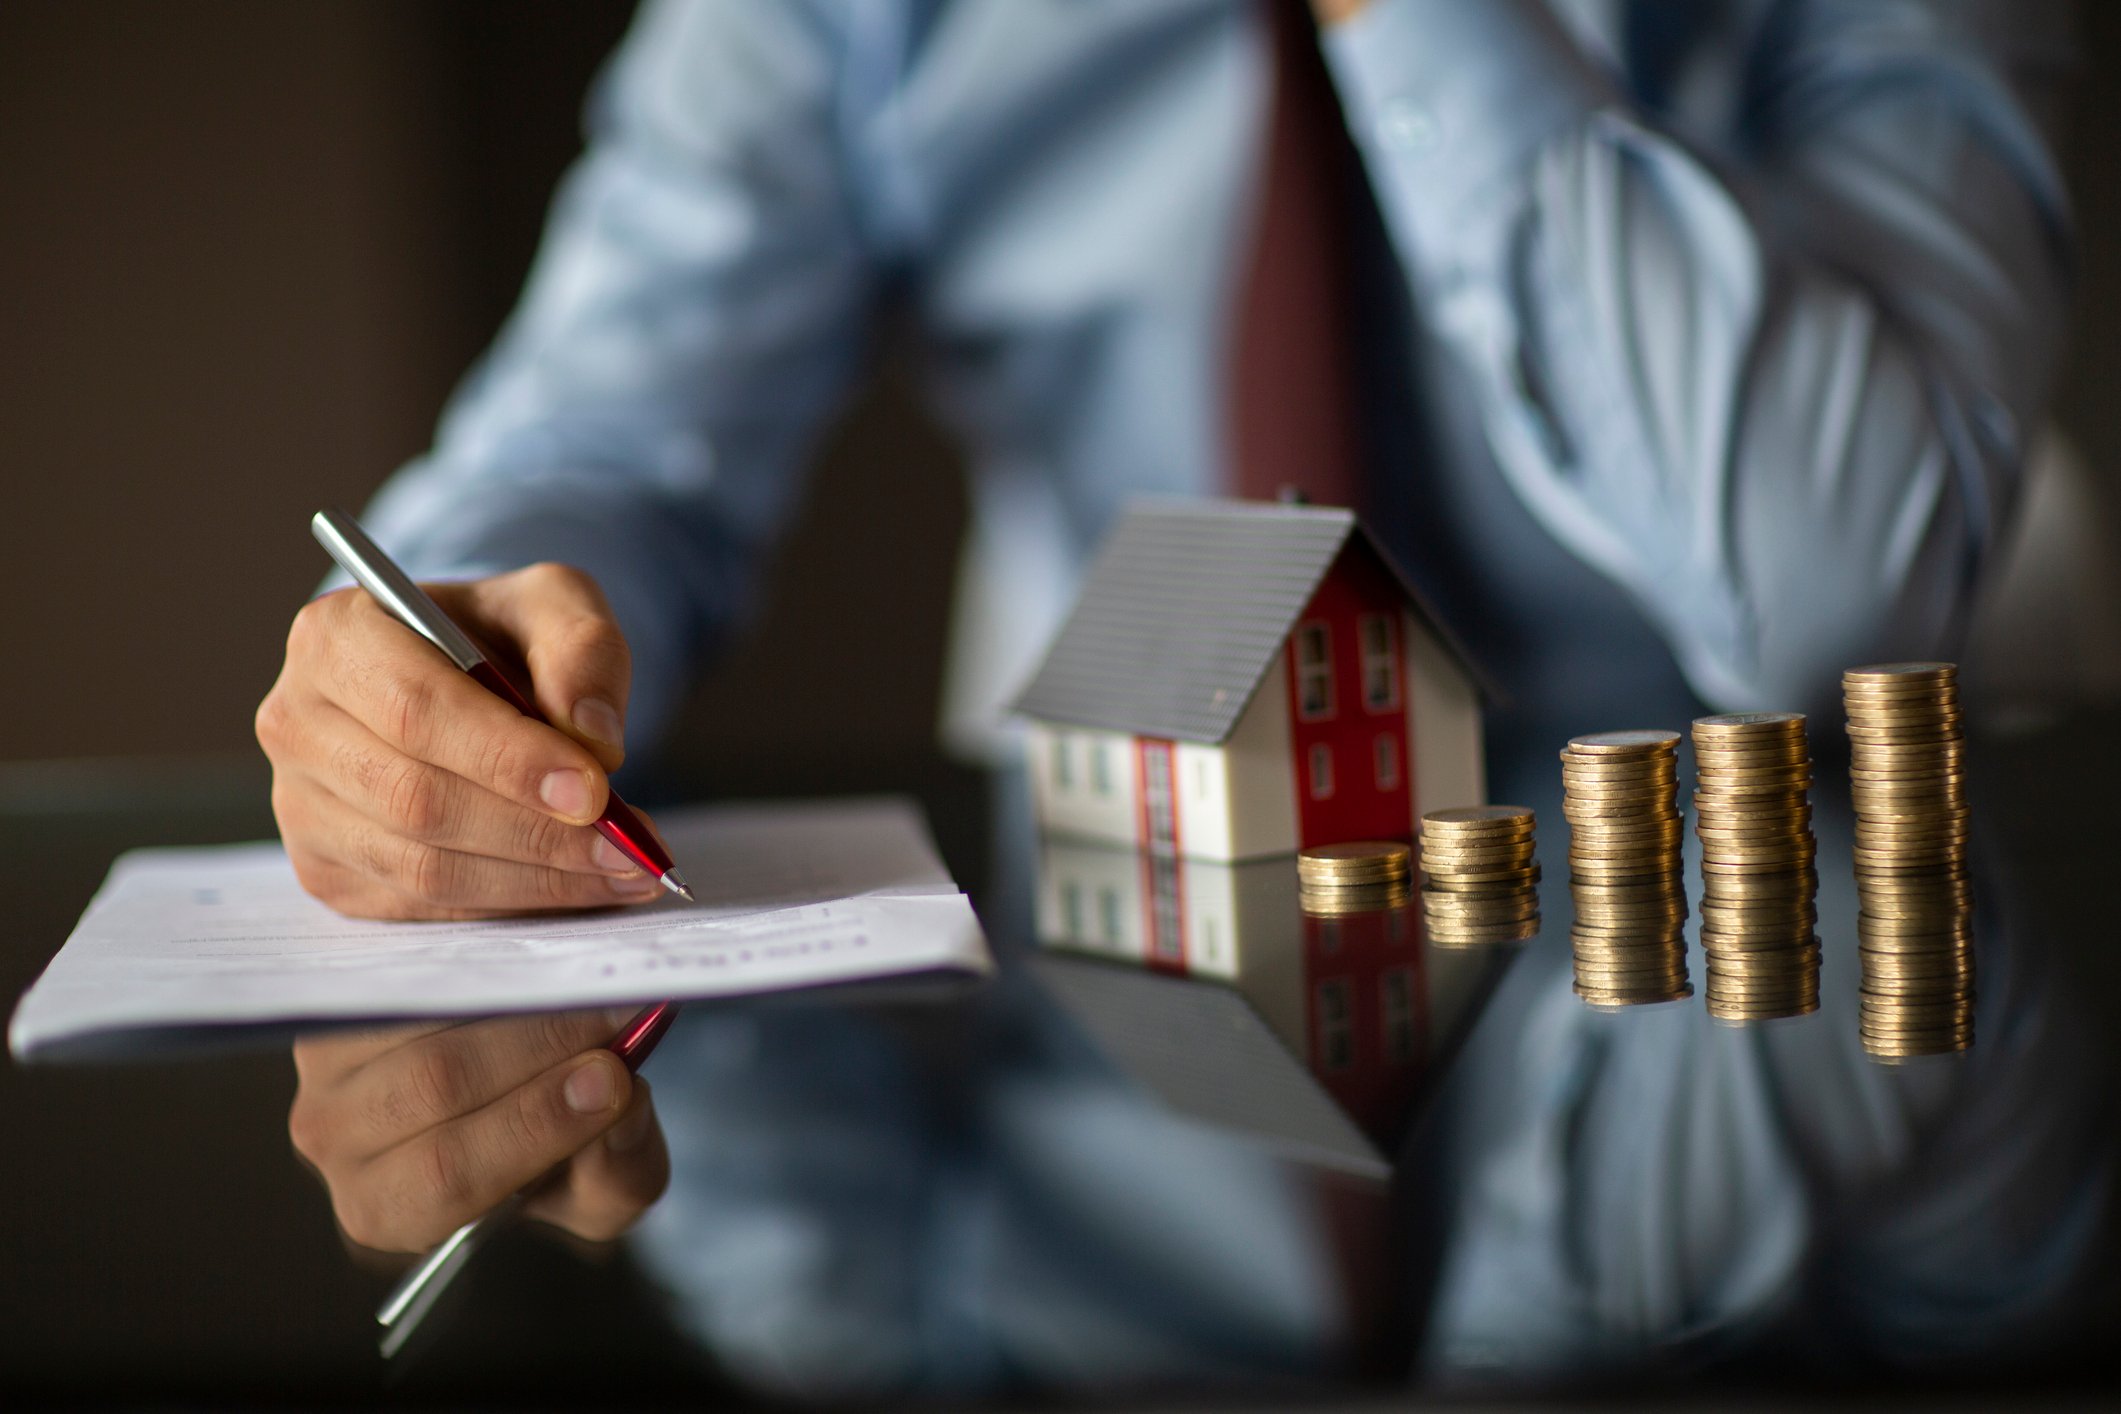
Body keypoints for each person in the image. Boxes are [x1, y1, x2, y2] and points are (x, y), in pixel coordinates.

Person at [257, 0, 2111, 1395]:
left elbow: (1842, 582)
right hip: (1143, 925)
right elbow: (600, 430)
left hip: (1724, 1006)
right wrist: (469, 618)